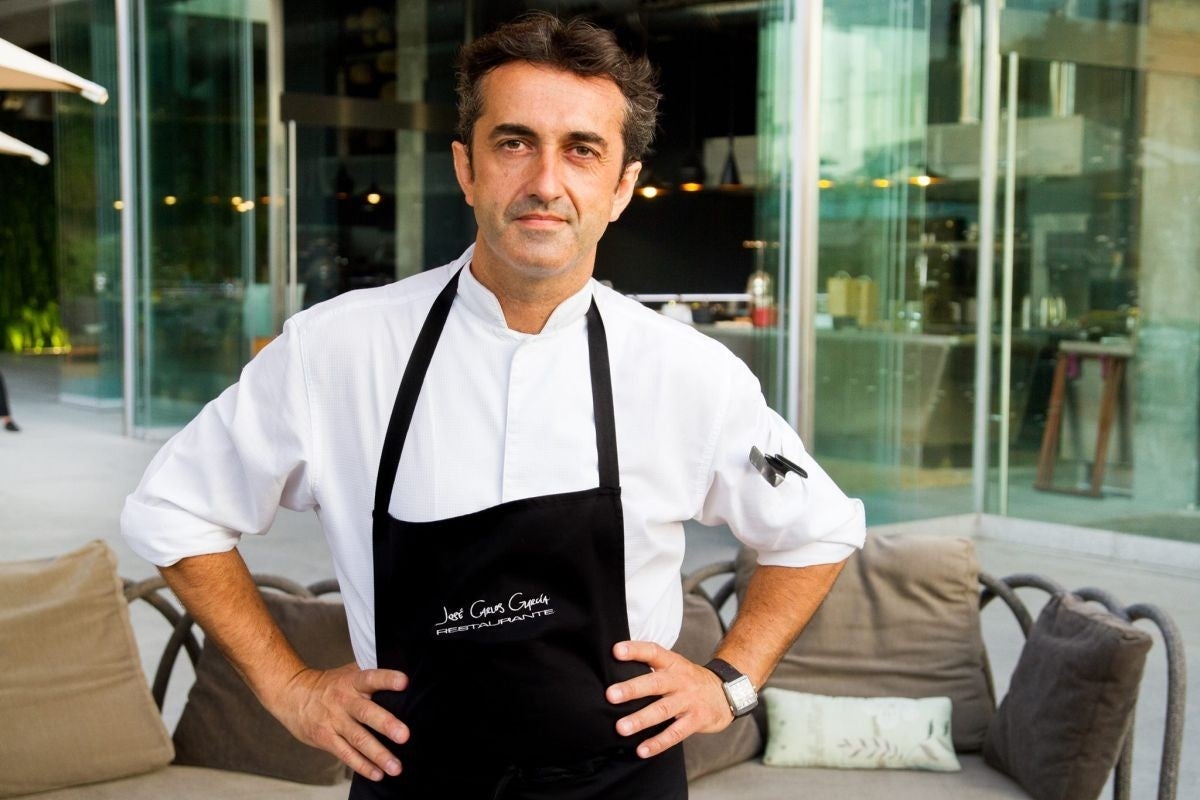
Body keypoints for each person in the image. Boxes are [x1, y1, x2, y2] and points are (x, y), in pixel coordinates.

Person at [121, 13, 865, 799]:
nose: (546, 181)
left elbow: (818, 529)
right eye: (514, 142)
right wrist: (287, 686)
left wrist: (730, 683)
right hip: (413, 782)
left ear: (620, 188)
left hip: (622, 786)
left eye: (582, 150)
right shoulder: (337, 351)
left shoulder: (688, 373)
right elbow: (173, 510)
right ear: (466, 169)